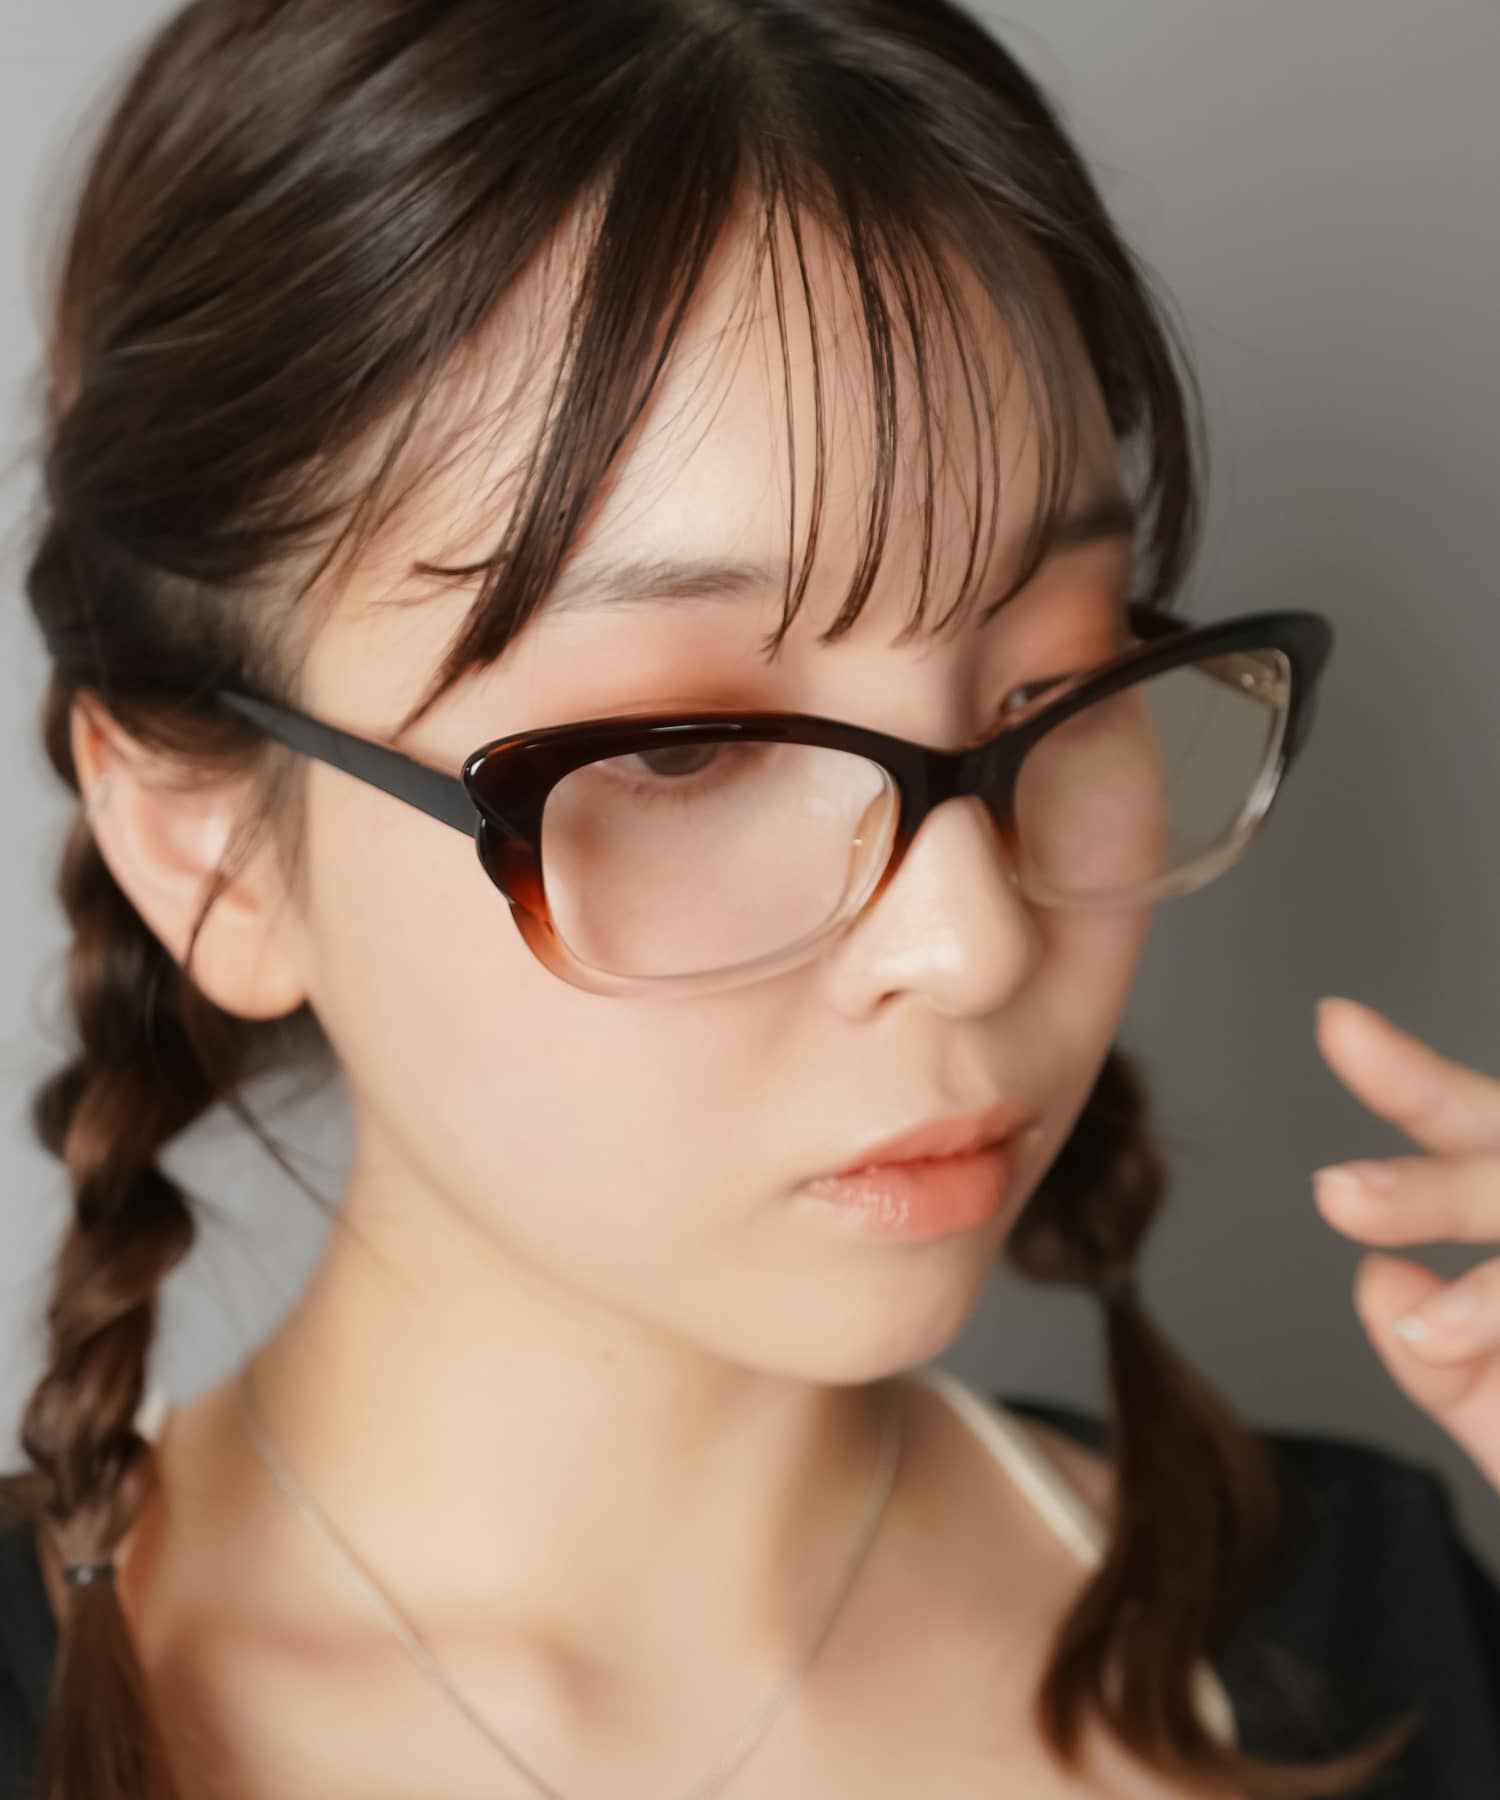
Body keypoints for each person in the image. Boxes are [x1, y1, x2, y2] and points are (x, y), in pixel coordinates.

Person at [2, 1, 1498, 1795]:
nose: (974, 940)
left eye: (1061, 681)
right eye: (687, 749)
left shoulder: (1372, 1638)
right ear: (204, 839)